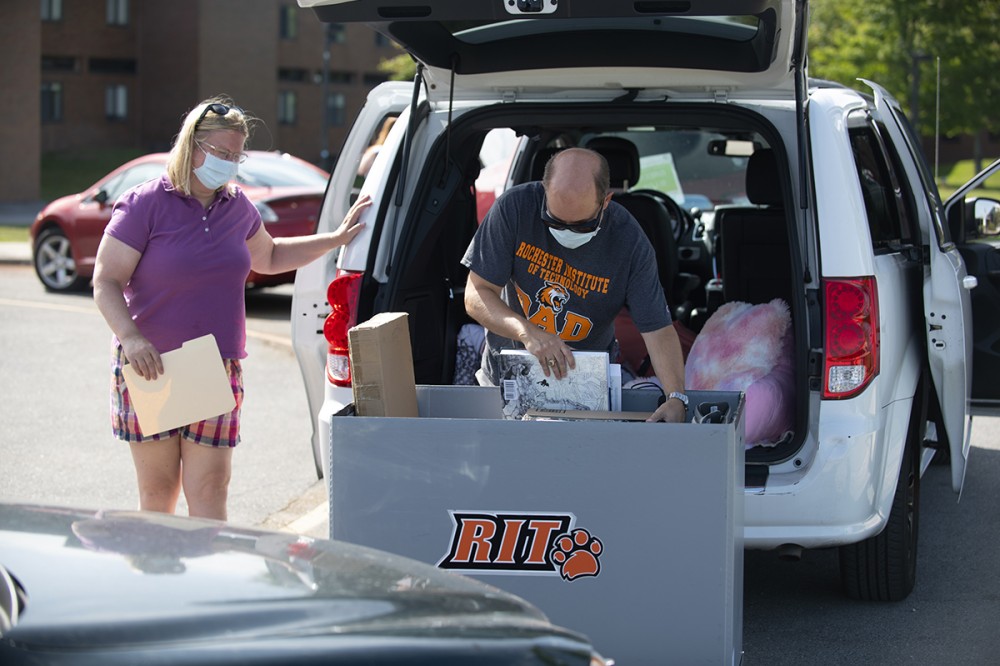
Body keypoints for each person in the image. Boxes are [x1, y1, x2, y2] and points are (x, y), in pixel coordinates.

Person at [92, 96, 371, 521]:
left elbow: (271, 256)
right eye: (220, 152)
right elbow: (106, 280)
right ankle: (157, 580)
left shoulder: (236, 205)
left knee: (210, 489)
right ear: (192, 145)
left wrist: (335, 239)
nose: (228, 163)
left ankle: (209, 580)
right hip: (152, 366)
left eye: (235, 155)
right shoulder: (145, 203)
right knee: (158, 493)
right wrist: (130, 338)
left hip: (213, 366)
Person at [461, 147, 687, 423]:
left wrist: (676, 397)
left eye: (580, 226)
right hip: (505, 382)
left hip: (586, 390)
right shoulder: (514, 209)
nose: (564, 231)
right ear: (544, 190)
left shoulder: (629, 242)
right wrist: (527, 333)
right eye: (553, 221)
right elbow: (476, 294)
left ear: (605, 202)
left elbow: (657, 328)